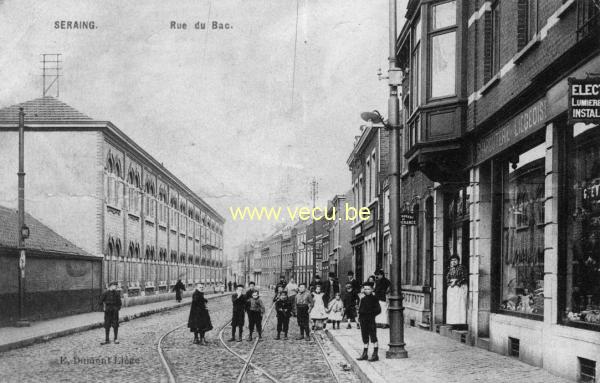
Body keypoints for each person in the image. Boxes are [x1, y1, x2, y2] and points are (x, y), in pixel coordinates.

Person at [357, 282, 381, 362]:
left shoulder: (374, 299)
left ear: (372, 290)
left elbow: (378, 310)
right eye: (365, 289)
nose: (366, 290)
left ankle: (375, 353)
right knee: (364, 336)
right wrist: (359, 318)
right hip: (363, 320)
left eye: (368, 289)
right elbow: (360, 310)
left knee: (373, 335)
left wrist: (371, 314)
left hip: (371, 320)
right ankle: (365, 353)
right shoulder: (363, 299)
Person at [446, 254, 468, 325]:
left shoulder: (462, 268)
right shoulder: (450, 269)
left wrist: (456, 282)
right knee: (452, 305)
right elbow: (447, 278)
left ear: (458, 261)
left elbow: (464, 277)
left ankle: (460, 322)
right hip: (452, 289)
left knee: (459, 304)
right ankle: (453, 322)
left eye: (455, 260)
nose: (453, 262)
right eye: (452, 260)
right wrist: (450, 283)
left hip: (460, 288)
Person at [100, 281, 122, 345]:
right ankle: (107, 340)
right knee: (107, 325)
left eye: (116, 286)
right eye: (115, 286)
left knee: (115, 324)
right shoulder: (105, 293)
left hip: (115, 311)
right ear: (111, 286)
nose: (116, 287)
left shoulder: (117, 294)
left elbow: (120, 303)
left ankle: (116, 339)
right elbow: (100, 302)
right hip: (107, 311)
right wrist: (104, 309)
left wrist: (117, 309)